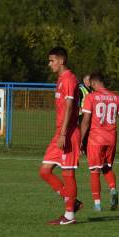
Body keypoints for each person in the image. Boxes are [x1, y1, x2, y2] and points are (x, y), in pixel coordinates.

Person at [38, 47, 82, 225]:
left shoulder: (70, 79)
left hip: (68, 133)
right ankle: (72, 200)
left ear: (61, 60)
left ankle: (69, 216)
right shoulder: (60, 79)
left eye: (52, 60)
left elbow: (70, 107)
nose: (50, 64)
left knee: (67, 173)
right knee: (44, 171)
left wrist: (63, 133)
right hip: (60, 132)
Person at [80, 72, 119, 211]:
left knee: (95, 171)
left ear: (94, 83)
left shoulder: (91, 97)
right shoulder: (116, 97)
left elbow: (85, 121)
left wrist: (80, 140)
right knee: (107, 167)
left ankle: (97, 205)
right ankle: (113, 188)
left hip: (96, 139)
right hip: (111, 139)